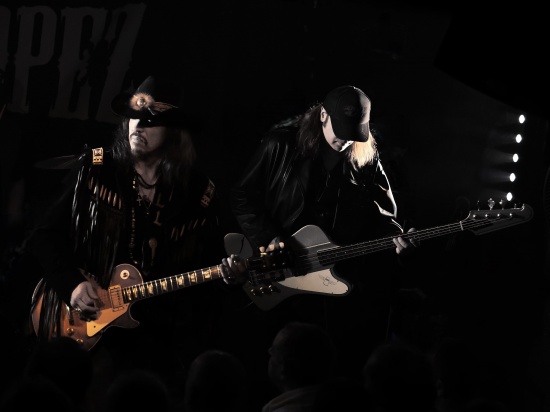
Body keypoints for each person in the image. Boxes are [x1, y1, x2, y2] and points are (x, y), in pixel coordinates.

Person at [25, 75, 236, 401]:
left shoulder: (197, 193)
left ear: (174, 130)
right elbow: (43, 235)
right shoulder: (98, 169)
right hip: (86, 323)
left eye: (151, 120)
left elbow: (208, 263)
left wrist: (229, 274)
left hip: (153, 340)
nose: (138, 126)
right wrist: (72, 284)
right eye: (134, 117)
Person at [221, 85, 419, 388]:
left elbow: (385, 221)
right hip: (279, 271)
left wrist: (399, 242)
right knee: (269, 363)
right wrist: (269, 238)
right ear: (323, 115)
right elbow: (242, 195)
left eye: (354, 132)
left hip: (331, 282)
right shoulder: (281, 144)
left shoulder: (366, 159)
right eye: (340, 129)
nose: (346, 140)